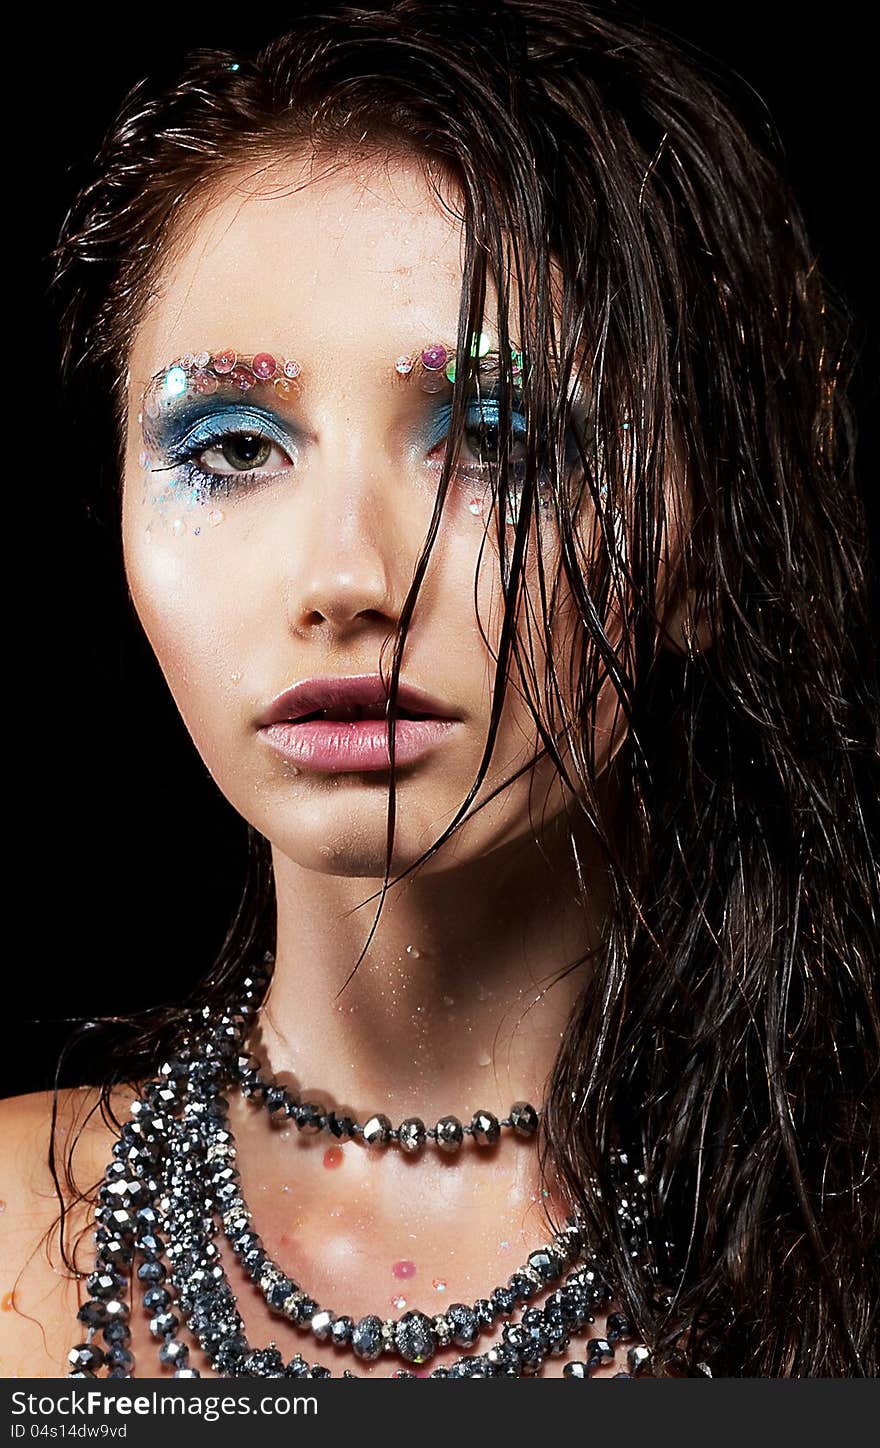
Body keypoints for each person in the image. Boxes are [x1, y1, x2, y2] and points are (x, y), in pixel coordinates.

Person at [1, 0, 877, 1380]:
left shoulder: (838, 1238)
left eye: (493, 438)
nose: (349, 578)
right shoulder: (9, 1237)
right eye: (231, 448)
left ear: (705, 549)